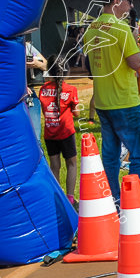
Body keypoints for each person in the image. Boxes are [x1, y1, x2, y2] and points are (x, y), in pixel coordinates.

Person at [82, 0, 140, 199]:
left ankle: (114, 199)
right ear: (117, 0)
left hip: (102, 101)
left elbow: (88, 67)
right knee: (139, 154)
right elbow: (135, 62)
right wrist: (135, 40)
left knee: (110, 155)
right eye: (129, 1)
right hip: (124, 101)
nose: (131, 6)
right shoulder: (121, 28)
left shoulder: (91, 29)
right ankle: (133, 200)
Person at [39, 55, 80, 207]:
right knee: (72, 164)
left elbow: (45, 110)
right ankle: (70, 197)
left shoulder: (43, 90)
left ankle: (56, 195)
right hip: (66, 132)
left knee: (54, 165)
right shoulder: (71, 90)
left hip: (50, 133)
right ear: (66, 71)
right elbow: (76, 113)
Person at [25, 38, 47, 136]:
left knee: (35, 136)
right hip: (12, 97)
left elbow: (47, 65)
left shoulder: (27, 47)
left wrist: (37, 64)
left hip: (30, 95)